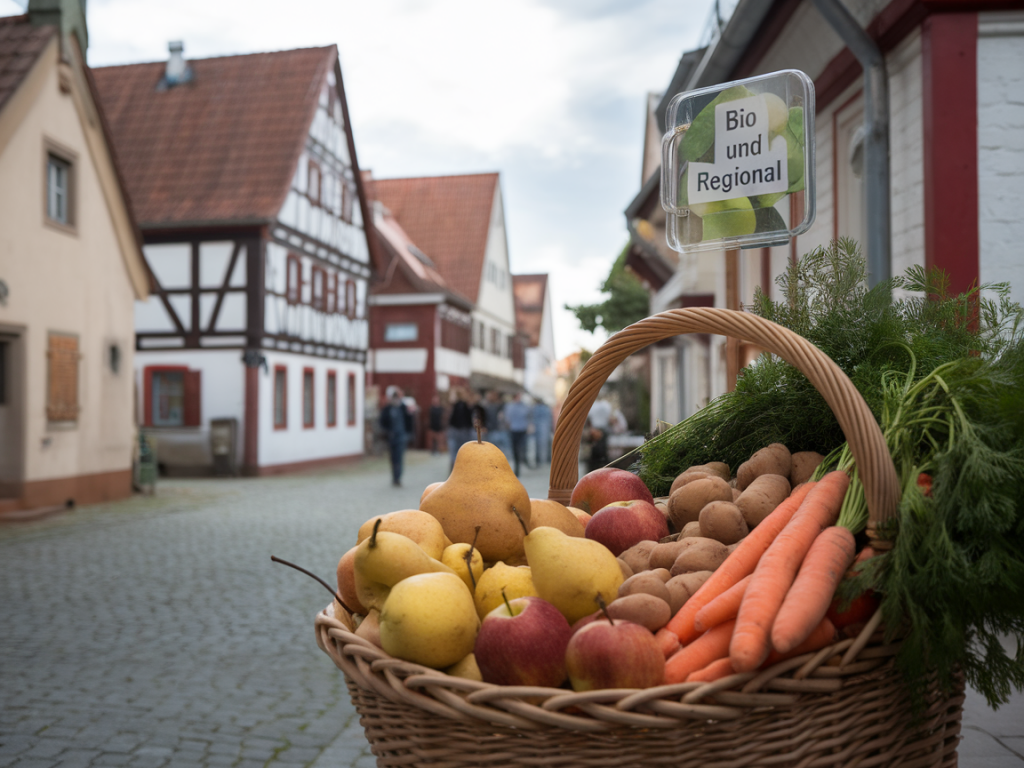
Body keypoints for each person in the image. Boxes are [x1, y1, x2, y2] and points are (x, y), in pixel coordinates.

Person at [379, 387, 413, 487]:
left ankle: (398, 477)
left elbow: (409, 421)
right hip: (391, 437)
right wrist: (386, 431)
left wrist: (409, 433)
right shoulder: (388, 409)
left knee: (399, 457)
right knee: (393, 458)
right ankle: (394, 477)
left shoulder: (403, 408)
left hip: (401, 436)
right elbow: (382, 421)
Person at [447, 388, 475, 471]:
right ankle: (453, 471)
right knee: (453, 453)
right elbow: (451, 401)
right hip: (455, 430)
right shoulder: (455, 405)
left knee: (463, 452)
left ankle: (462, 470)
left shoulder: (467, 405)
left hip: (465, 431)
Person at [504, 393, 530, 476]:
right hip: (514, 430)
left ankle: (522, 460)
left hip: (522, 429)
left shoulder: (524, 406)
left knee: (522, 447)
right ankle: (517, 466)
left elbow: (528, 415)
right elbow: (507, 418)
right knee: (515, 449)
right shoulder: (510, 406)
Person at [530, 399, 553, 465]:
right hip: (546, 429)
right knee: (547, 445)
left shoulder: (535, 408)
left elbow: (533, 419)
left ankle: (539, 460)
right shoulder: (546, 409)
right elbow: (550, 419)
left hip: (539, 429)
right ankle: (548, 459)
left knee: (538, 446)